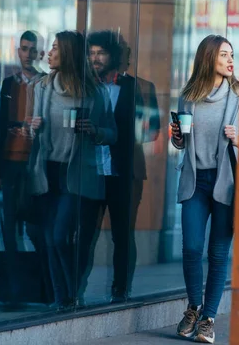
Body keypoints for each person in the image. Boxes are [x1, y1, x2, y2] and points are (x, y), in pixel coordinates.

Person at [28, 30, 117, 310]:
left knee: (58, 236)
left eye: (55, 48)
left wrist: (95, 130)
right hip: (46, 171)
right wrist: (30, 128)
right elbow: (30, 130)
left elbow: (112, 133)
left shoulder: (94, 93)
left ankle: (69, 294)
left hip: (76, 174)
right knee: (47, 237)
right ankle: (63, 297)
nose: (49, 53)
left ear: (67, 53)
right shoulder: (41, 87)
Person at [170, 34, 239, 344]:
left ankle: (209, 318)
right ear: (208, 57)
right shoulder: (188, 96)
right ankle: (193, 308)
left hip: (226, 181)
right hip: (196, 181)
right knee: (192, 248)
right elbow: (180, 144)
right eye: (224, 54)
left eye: (232, 55)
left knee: (217, 253)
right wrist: (177, 138)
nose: (230, 60)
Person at [86, 30, 160, 303]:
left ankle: (121, 290)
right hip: (92, 171)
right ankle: (75, 293)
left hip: (125, 172)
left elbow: (151, 131)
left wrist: (133, 130)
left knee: (122, 235)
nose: (95, 59)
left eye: (101, 53)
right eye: (91, 54)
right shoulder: (87, 86)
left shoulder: (141, 87)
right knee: (85, 235)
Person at [0, 30, 45, 253]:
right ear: (18, 51)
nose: (28, 54)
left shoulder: (45, 83)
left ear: (39, 53)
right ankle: (12, 268)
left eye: (32, 50)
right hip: (10, 158)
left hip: (35, 159)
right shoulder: (8, 83)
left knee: (34, 220)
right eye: (24, 49)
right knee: (9, 220)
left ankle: (36, 270)